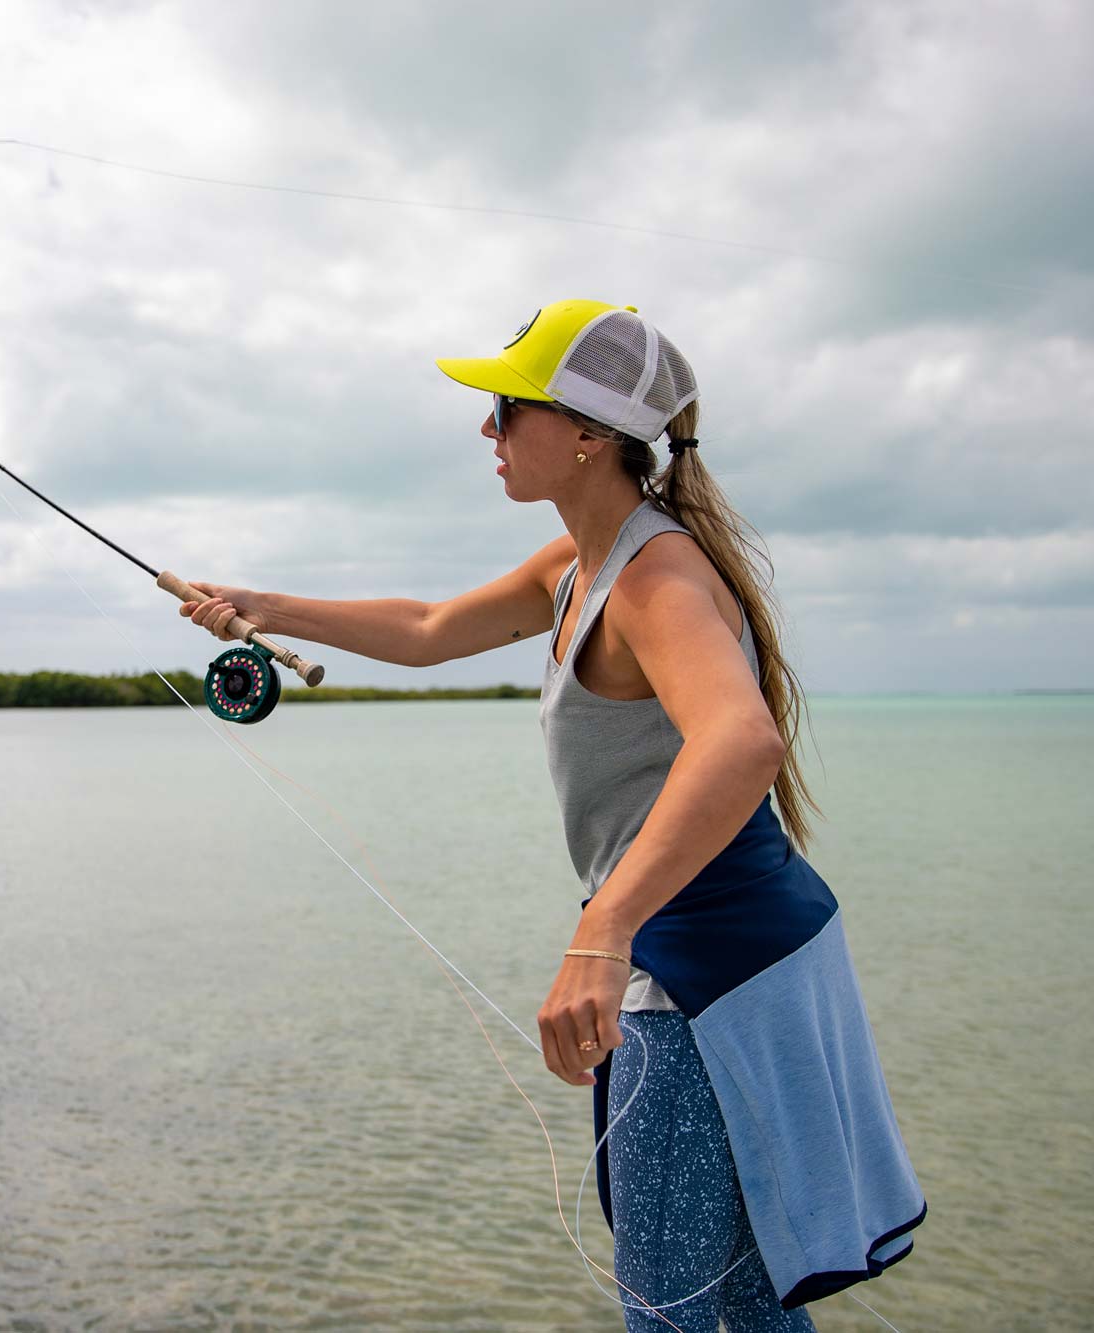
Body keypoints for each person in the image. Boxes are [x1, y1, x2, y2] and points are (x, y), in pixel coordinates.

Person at [179, 300, 925, 1329]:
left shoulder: (655, 577)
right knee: (746, 1302)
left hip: (707, 969)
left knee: (668, 1303)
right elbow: (429, 629)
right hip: (739, 948)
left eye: (506, 406)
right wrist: (262, 607)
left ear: (585, 433)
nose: (485, 427)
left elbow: (741, 741)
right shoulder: (577, 564)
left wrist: (602, 929)